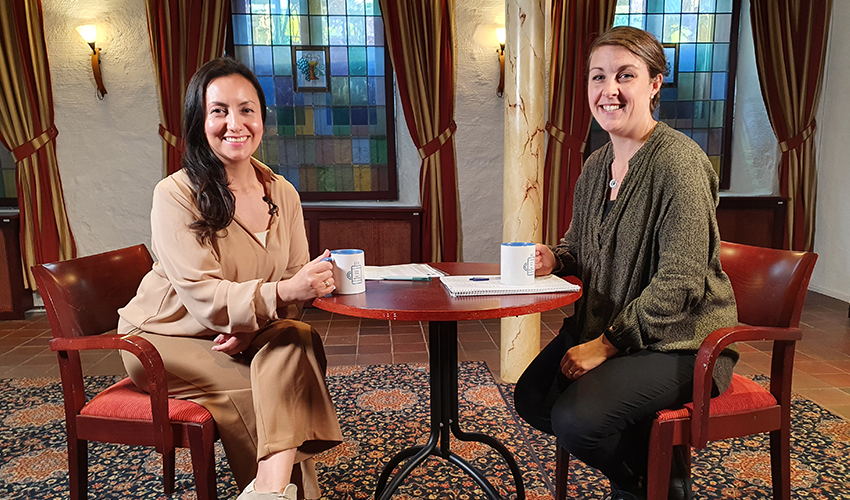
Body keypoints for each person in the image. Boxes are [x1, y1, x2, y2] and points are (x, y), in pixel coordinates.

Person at [513, 26, 738, 500]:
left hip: (679, 343)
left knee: (577, 421)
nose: (608, 90)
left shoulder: (680, 163)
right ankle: (650, 477)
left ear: (655, 84)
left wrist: (606, 346)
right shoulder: (596, 165)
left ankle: (656, 488)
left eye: (625, 75)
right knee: (532, 399)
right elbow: (581, 243)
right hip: (607, 328)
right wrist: (555, 255)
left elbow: (680, 284)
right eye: (597, 77)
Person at [117, 57, 342, 500]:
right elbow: (203, 295)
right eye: (218, 110)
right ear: (199, 120)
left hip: (241, 329)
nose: (234, 123)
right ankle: (284, 492)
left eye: (246, 110)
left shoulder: (283, 192)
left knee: (295, 339)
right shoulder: (175, 194)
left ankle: (269, 492)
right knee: (267, 386)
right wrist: (277, 297)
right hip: (164, 339)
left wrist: (256, 322)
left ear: (261, 119)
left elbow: (295, 280)